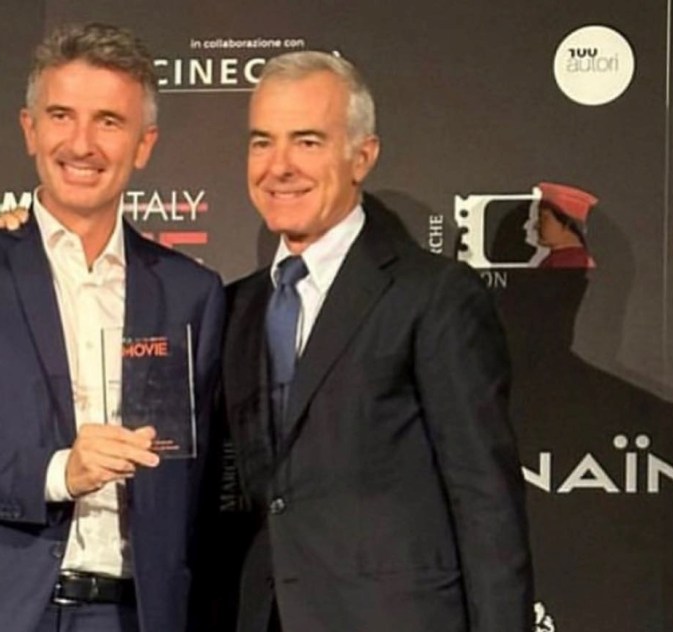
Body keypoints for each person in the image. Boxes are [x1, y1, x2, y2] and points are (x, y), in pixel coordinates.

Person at [0, 23, 224, 632]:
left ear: (144, 144)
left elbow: (203, 483)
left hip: (131, 615)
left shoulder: (190, 293)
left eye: (108, 122)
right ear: (30, 129)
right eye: (61, 116)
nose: (82, 144)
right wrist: (61, 472)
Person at [219, 51, 533, 632]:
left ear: (362, 156)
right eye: (262, 142)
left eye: (307, 142)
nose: (278, 166)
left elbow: (484, 498)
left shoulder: (434, 296)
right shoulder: (236, 308)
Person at [535, 181, 598, 268]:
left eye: (544, 219)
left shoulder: (569, 262)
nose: (536, 226)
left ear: (567, 224)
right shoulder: (559, 259)